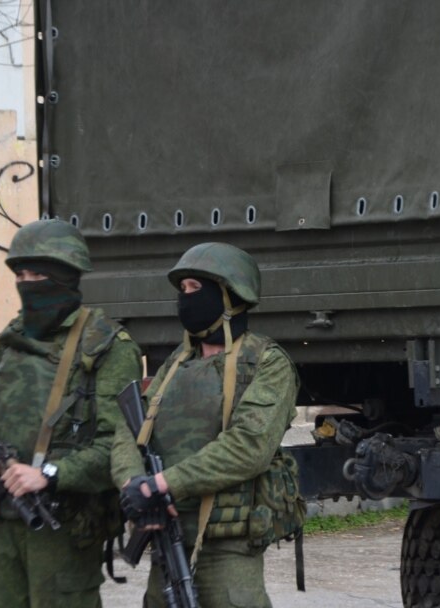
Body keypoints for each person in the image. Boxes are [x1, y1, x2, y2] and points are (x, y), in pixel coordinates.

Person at [0, 218, 142, 608]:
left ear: (64, 276)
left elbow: (119, 445)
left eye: (38, 274)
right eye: (21, 275)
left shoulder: (108, 346)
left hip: (64, 525)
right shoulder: (14, 336)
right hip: (4, 523)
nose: (27, 284)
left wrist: (50, 474)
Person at [112, 242, 300, 608]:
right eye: (181, 291)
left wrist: (163, 485)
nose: (185, 300)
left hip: (228, 549)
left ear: (229, 295)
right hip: (166, 535)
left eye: (195, 289)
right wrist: (133, 482)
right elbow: (127, 430)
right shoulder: (175, 365)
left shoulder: (267, 362)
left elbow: (249, 446)